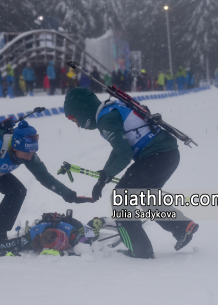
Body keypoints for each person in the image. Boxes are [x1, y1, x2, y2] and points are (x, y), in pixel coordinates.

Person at [63, 88, 199, 259]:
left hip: (155, 157)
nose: (78, 125)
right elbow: (121, 147)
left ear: (83, 112)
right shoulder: (110, 108)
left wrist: (106, 176)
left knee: (121, 197)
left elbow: (124, 153)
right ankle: (182, 228)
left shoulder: (105, 119)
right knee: (143, 196)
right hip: (168, 155)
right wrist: (105, 174)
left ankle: (140, 249)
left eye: (74, 119)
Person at [0, 120, 93, 245]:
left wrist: (69, 195)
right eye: (26, 155)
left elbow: (45, 177)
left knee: (17, 191)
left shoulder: (27, 152)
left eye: (32, 154)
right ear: (14, 146)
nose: (29, 158)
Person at [0, 212, 115, 257]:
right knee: (31, 230)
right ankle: (36, 224)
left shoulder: (70, 232)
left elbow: (86, 244)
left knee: (93, 235)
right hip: (40, 227)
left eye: (64, 243)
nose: (66, 247)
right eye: (61, 246)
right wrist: (8, 254)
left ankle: (100, 220)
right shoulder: (28, 240)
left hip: (70, 224)